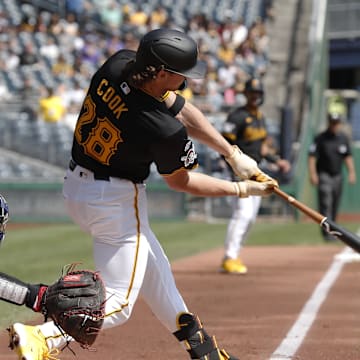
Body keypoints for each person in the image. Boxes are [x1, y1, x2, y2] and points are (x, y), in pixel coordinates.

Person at [7, 29, 277, 360]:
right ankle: (42, 338)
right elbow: (182, 182)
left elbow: (180, 107)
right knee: (119, 303)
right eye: (181, 75)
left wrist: (230, 153)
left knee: (154, 268)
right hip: (115, 200)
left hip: (78, 187)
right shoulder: (164, 130)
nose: (186, 81)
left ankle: (201, 348)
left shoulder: (118, 64)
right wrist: (241, 189)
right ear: (162, 73)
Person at [220, 77, 291, 274]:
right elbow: (223, 145)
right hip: (239, 172)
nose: (255, 96)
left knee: (250, 218)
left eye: (258, 93)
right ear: (246, 94)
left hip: (255, 171)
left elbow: (262, 148)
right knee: (242, 214)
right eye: (252, 93)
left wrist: (277, 161)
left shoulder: (259, 116)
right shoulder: (237, 117)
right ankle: (229, 257)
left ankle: (234, 254)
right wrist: (232, 169)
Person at [308, 112, 356, 242]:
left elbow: (348, 156)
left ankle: (332, 230)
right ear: (328, 123)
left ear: (339, 124)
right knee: (326, 203)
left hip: (337, 176)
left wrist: (351, 172)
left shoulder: (343, 138)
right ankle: (326, 234)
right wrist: (313, 174)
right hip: (324, 175)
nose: (334, 126)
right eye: (332, 123)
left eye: (336, 123)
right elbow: (312, 156)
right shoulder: (320, 138)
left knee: (334, 204)